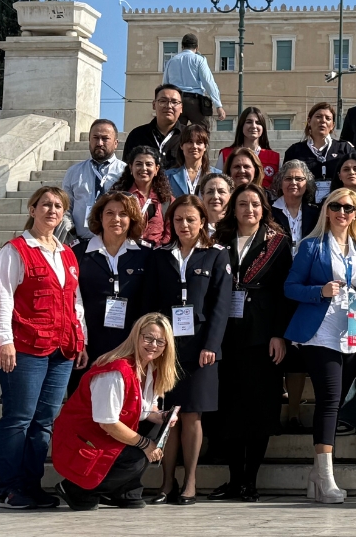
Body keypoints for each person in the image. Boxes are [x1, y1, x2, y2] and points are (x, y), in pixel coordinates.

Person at [0, 186, 88, 510]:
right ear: (32, 210)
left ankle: (32, 486)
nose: (52, 210)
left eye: (58, 206)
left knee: (44, 420)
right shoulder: (16, 250)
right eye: (45, 204)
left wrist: (81, 338)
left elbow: (75, 300)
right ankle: (11, 488)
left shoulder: (67, 253)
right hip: (27, 346)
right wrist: (5, 341)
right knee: (19, 418)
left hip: (61, 348)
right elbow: (1, 296)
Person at [284, 188, 356, 503]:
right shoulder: (312, 246)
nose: (342, 212)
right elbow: (290, 287)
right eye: (336, 206)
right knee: (329, 398)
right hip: (319, 332)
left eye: (349, 208)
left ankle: (316, 475)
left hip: (353, 331)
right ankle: (325, 478)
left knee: (335, 401)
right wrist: (319, 291)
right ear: (327, 210)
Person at [145, 194, 231, 504]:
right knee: (169, 416)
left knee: (192, 415)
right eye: (178, 219)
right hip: (166, 347)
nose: (184, 224)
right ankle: (166, 482)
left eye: (190, 219)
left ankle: (190, 481)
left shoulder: (216, 255)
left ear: (202, 221)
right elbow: (151, 304)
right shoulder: (159, 256)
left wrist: (211, 345)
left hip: (200, 348)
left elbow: (220, 307)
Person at [211, 183, 293, 503]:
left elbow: (285, 294)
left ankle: (250, 482)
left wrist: (279, 334)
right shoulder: (219, 241)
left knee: (258, 410)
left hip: (262, 337)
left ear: (264, 208)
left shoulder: (278, 244)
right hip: (225, 335)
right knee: (230, 408)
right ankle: (233, 481)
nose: (249, 209)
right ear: (233, 208)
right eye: (243, 203)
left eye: (255, 204)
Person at [50, 313, 179, 511]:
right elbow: (107, 422)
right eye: (148, 338)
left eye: (160, 341)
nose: (153, 345)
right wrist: (145, 445)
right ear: (136, 336)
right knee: (138, 455)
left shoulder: (149, 368)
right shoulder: (115, 372)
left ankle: (125, 490)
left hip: (101, 434)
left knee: (156, 430)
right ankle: (76, 489)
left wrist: (162, 417)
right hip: (81, 440)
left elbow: (143, 409)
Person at [71, 193, 150, 386]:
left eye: (123, 214)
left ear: (131, 219)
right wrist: (80, 340)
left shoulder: (146, 255)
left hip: (130, 343)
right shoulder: (78, 253)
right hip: (89, 343)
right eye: (109, 213)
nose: (116, 219)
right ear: (99, 217)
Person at [271, 160, 319, 432]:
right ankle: (273, 409)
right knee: (277, 350)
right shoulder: (269, 211)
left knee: (298, 355)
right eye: (288, 178)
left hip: (304, 287)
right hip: (275, 287)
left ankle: (294, 412)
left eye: (299, 179)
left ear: (306, 184)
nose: (294, 183)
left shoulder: (315, 213)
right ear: (280, 182)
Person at [62, 119, 127, 241]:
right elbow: (65, 208)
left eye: (105, 138)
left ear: (116, 143)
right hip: (81, 243)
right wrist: (72, 234)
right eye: (95, 138)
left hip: (116, 244)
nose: (99, 143)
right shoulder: (74, 172)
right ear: (89, 141)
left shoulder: (126, 172)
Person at [284, 102, 356, 205]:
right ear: (309, 121)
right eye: (318, 117)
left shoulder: (345, 148)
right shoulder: (295, 151)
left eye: (328, 118)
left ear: (333, 125)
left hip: (338, 208)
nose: (323, 121)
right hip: (305, 208)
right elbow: (285, 182)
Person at [160, 33, 226, 126]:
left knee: (176, 134)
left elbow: (165, 85)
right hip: (195, 103)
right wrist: (218, 105)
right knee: (202, 133)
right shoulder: (199, 60)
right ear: (197, 47)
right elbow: (208, 82)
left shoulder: (171, 61)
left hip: (176, 102)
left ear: (182, 46)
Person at [112, 146, 172, 246]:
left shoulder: (166, 200)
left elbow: (170, 233)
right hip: (126, 254)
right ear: (131, 167)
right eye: (139, 164)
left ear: (156, 169)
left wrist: (158, 250)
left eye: (149, 164)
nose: (144, 168)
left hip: (156, 255)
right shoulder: (119, 197)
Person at [123, 84, 190, 169]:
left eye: (174, 102)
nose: (169, 106)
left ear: (181, 108)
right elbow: (127, 169)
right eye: (163, 101)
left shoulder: (189, 135)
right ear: (154, 105)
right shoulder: (137, 135)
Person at [215, 106, 280, 186]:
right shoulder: (226, 154)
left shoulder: (274, 157)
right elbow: (217, 183)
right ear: (241, 125)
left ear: (263, 128)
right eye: (249, 122)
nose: (253, 126)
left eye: (258, 123)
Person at [167, 123, 218, 199]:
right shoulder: (168, 176)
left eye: (199, 142)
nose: (194, 146)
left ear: (205, 147)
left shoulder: (217, 175)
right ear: (181, 145)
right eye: (190, 142)